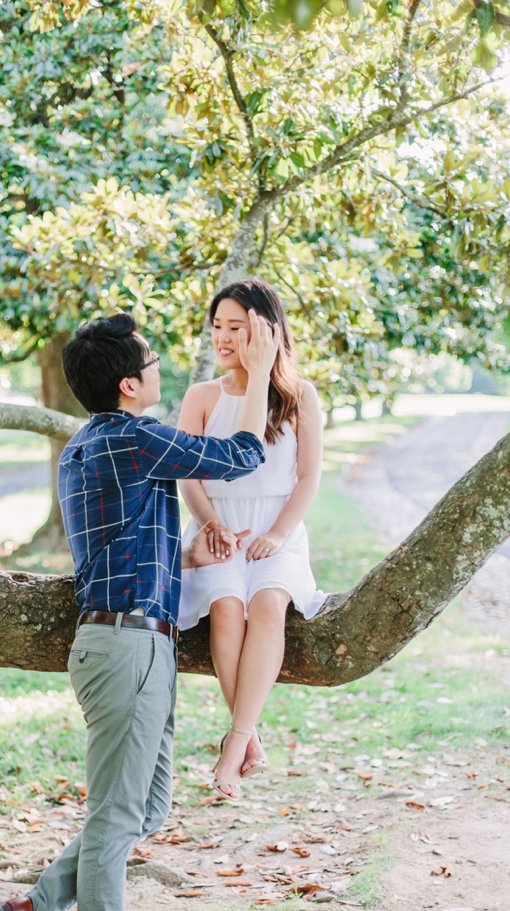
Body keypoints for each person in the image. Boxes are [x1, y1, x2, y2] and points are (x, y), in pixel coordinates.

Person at [0, 311, 278, 911]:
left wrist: (184, 557)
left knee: (142, 808)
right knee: (120, 812)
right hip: (127, 648)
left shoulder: (89, 445)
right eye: (150, 364)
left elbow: (107, 556)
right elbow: (242, 455)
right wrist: (263, 368)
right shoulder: (136, 437)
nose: (159, 372)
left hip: (124, 637)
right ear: (128, 384)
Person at [177, 279, 325, 798]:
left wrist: (279, 534)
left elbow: (308, 478)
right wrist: (210, 524)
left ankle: (234, 744)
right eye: (217, 326)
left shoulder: (300, 396)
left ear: (267, 329)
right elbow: (188, 476)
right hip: (216, 527)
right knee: (225, 607)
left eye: (236, 327)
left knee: (266, 604)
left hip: (276, 530)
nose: (223, 337)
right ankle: (247, 738)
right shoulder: (202, 396)